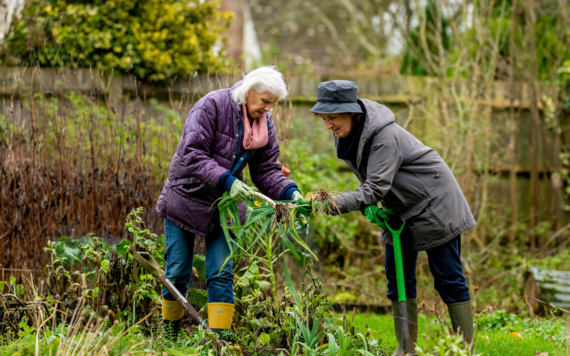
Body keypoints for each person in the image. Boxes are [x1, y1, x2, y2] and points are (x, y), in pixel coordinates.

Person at [308, 80, 475, 354]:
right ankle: (405, 348)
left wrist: (330, 204)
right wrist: (367, 206)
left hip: (435, 203)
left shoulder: (384, 137)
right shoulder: (347, 134)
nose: (328, 125)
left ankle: (465, 350)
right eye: (324, 118)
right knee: (397, 277)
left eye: (333, 118)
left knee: (447, 276)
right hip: (400, 206)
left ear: (353, 113)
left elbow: (373, 187)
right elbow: (372, 182)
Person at [155, 66, 303, 338]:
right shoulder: (212, 105)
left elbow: (266, 170)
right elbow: (193, 152)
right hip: (186, 196)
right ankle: (169, 335)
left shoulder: (263, 123)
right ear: (248, 92)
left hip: (225, 205)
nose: (268, 110)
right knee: (177, 271)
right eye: (265, 102)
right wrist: (228, 180)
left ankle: (216, 341)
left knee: (221, 272)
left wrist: (290, 192)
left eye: (273, 104)